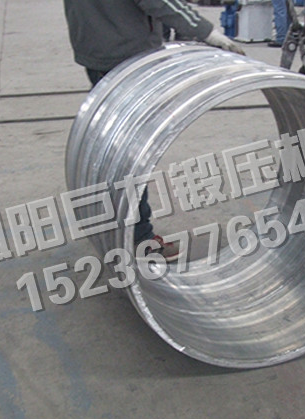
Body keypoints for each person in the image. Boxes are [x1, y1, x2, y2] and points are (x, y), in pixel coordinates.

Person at [63, 0, 244, 260]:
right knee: (130, 154)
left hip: (96, 47)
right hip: (124, 52)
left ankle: (117, 230)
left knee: (115, 147)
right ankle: (139, 239)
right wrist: (206, 31)